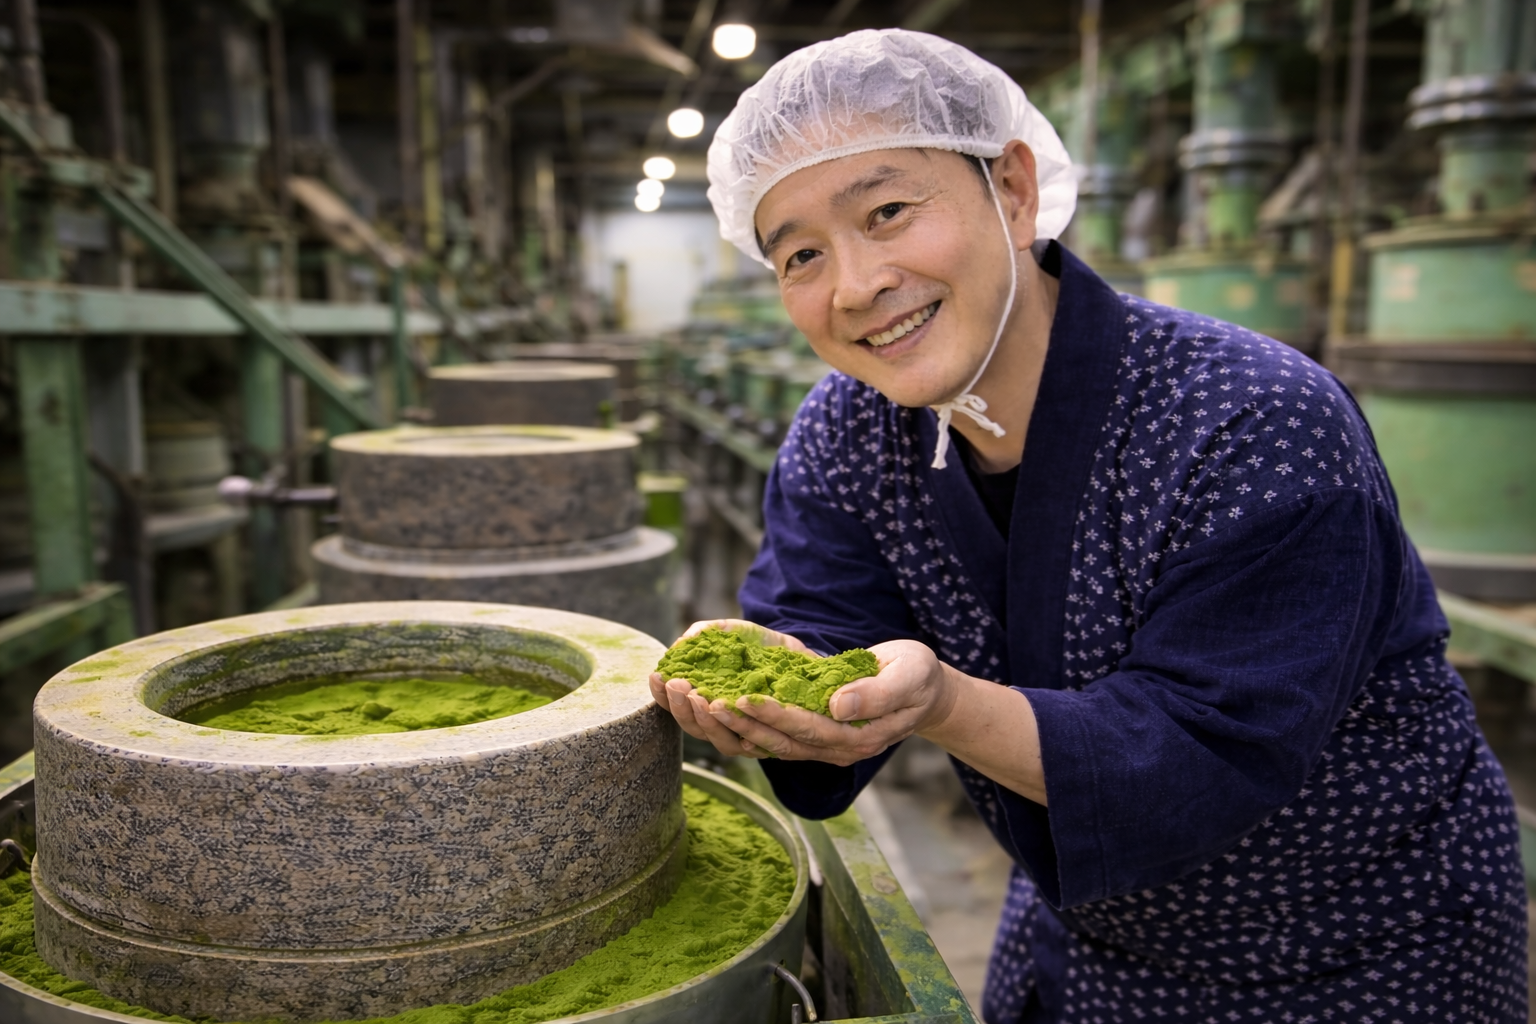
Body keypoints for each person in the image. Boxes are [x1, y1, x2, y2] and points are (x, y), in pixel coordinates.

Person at [648, 28, 1527, 1023]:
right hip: (1089, 925)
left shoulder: (1256, 424)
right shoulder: (851, 430)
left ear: (1013, 191)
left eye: (888, 210)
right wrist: (779, 696)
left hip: (1352, 945)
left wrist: (938, 702)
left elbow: (1199, 749)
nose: (853, 285)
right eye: (801, 254)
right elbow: (818, 626)